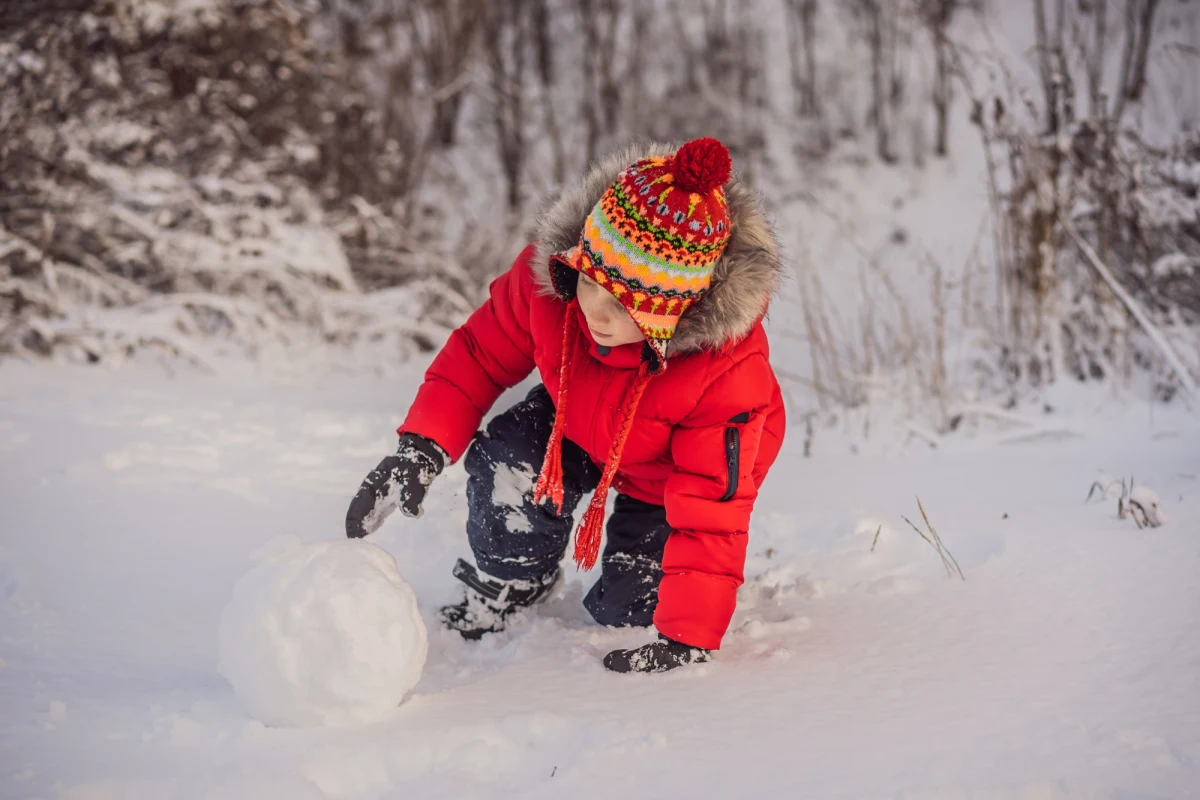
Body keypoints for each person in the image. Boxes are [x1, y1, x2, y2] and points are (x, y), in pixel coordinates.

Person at [345, 137, 785, 673]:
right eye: (590, 279)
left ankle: (642, 583)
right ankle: (512, 581)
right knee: (509, 459)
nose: (595, 310)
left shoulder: (725, 375)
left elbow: (712, 507)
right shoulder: (550, 287)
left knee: (628, 609)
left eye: (625, 304)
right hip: (577, 424)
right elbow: (478, 356)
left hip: (667, 477)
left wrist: (690, 635)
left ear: (672, 313)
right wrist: (421, 447)